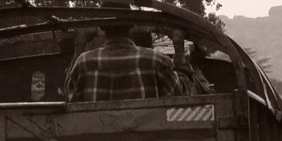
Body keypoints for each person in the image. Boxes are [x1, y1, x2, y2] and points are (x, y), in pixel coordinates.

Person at [63, 23, 210, 102]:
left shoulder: (83, 63)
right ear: (132, 25)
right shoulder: (157, 61)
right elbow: (183, 95)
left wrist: (80, 45)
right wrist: (178, 46)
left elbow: (69, 98)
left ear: (101, 27)